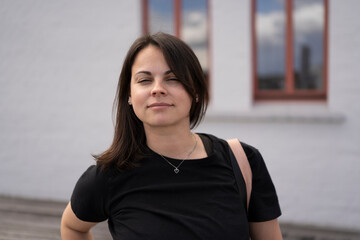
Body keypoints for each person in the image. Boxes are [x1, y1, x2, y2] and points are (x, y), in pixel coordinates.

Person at [61, 32, 282, 240]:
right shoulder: (109, 175)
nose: (157, 89)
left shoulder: (243, 162)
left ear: (195, 91)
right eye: (144, 80)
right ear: (129, 95)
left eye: (173, 78)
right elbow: (72, 227)